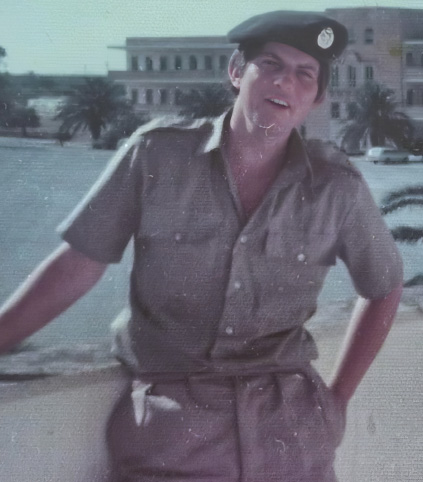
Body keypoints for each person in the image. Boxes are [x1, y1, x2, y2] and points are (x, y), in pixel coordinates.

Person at [0, 11, 403, 482]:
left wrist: (337, 400)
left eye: (303, 74)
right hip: (171, 436)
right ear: (236, 71)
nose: (284, 82)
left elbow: (384, 286)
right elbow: (78, 264)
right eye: (270, 64)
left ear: (317, 97)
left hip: (292, 434)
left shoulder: (337, 187)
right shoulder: (156, 155)